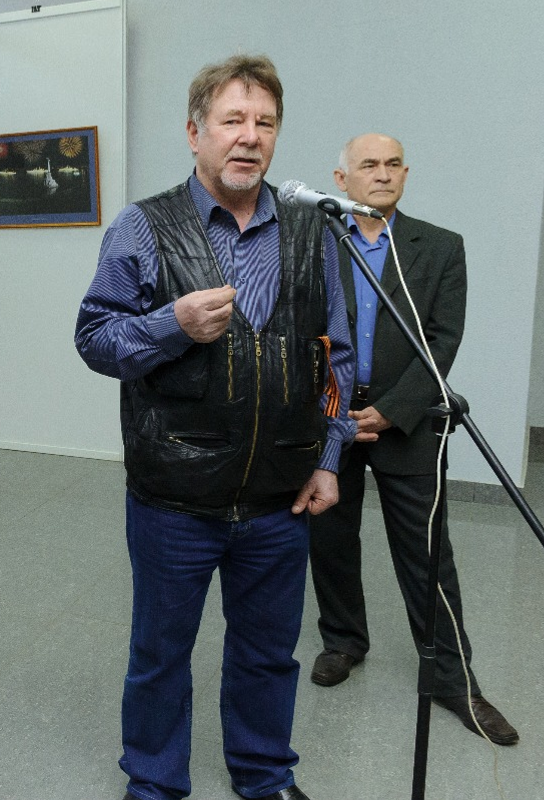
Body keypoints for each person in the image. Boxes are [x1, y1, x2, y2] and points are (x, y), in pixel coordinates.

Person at [75, 54, 355, 800]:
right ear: (195, 132)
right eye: (232, 120)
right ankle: (154, 783)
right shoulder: (143, 226)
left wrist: (329, 456)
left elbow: (337, 357)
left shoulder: (312, 231)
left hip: (280, 498)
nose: (249, 137)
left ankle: (264, 774)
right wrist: (171, 323)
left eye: (265, 122)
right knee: (161, 654)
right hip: (174, 497)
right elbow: (95, 339)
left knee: (268, 653)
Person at [307, 133, 518, 744]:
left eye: (393, 164)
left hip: (407, 420)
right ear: (341, 180)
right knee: (331, 537)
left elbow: (442, 341)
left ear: (405, 174)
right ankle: (344, 641)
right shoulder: (316, 242)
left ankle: (454, 680)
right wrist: (330, 408)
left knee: (428, 554)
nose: (382, 174)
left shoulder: (440, 246)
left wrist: (393, 411)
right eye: (368, 164)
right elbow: (297, 330)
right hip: (330, 416)